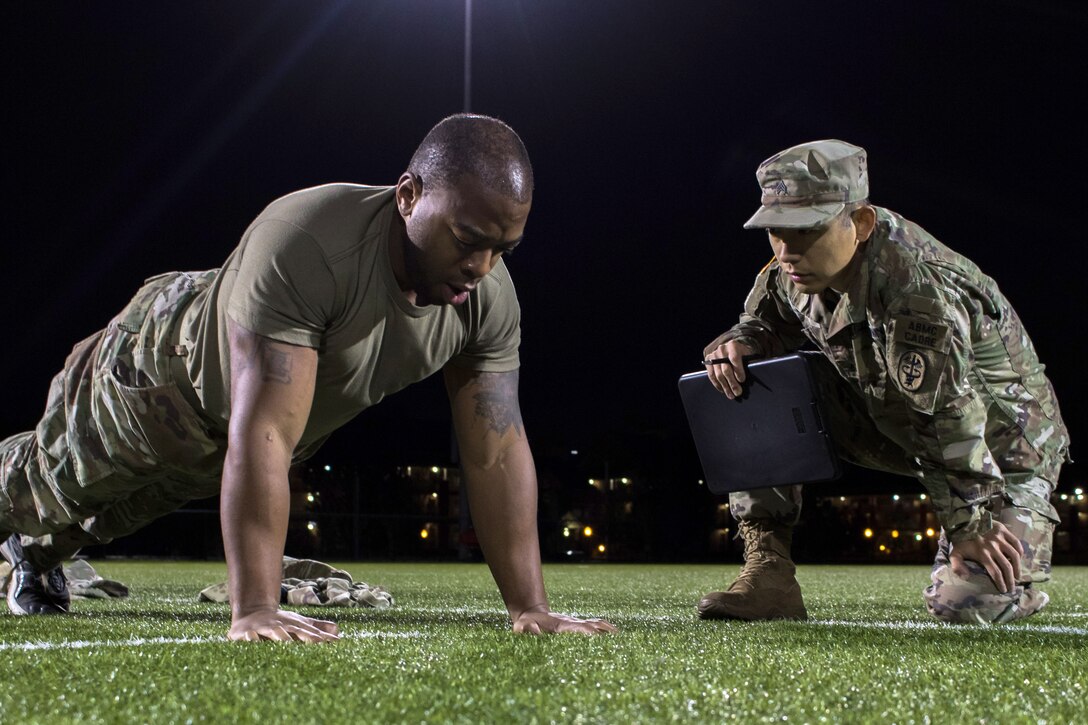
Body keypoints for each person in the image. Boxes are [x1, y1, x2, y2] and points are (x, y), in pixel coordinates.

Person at [0, 113, 616, 640]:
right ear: (408, 197)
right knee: (47, 484)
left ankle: (32, 558)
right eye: (466, 239)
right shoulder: (308, 241)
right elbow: (264, 430)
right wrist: (257, 608)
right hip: (159, 372)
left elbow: (497, 451)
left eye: (503, 248)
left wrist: (530, 607)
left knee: (111, 516)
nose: (480, 266)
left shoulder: (486, 297)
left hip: (237, 433)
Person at [698, 140, 1069, 624]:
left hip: (1000, 450)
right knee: (742, 382)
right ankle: (769, 575)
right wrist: (735, 344)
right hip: (898, 422)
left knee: (965, 602)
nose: (786, 252)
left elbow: (947, 415)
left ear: (862, 223)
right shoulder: (793, 268)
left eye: (807, 229)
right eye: (776, 231)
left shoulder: (917, 288)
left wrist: (969, 524)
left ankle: (1015, 580)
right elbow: (760, 324)